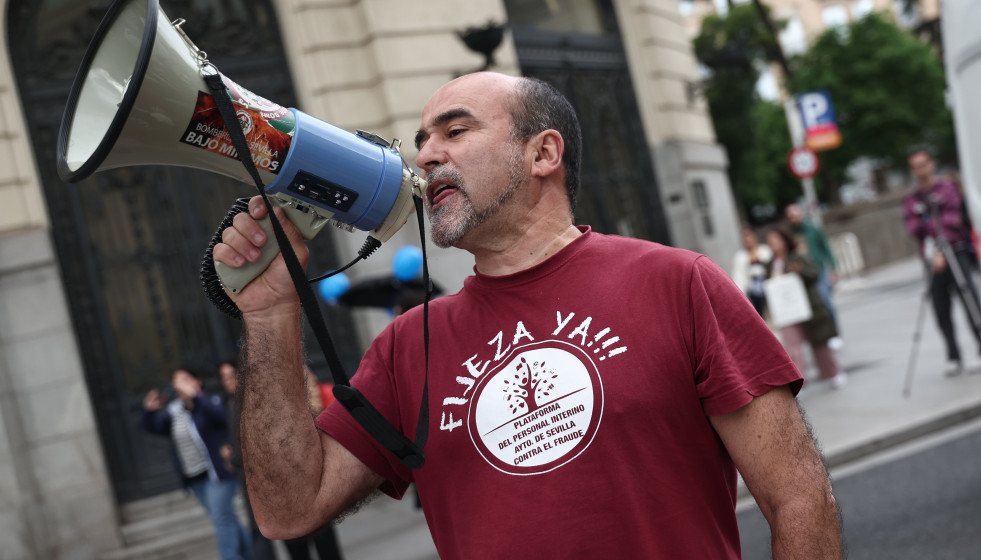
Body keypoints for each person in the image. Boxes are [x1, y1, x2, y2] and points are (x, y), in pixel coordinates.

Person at [214, 72, 842, 558]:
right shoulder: (410, 346)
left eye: (455, 132)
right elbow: (288, 510)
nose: (428, 156)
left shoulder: (678, 283)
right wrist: (270, 318)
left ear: (543, 153)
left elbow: (798, 495)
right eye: (423, 141)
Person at [142, 367, 253, 560]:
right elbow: (155, 428)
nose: (179, 385)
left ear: (197, 381)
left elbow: (223, 417)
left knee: (221, 519)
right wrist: (149, 412)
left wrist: (196, 397)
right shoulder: (174, 411)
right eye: (176, 381)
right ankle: (251, 554)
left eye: (184, 379)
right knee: (225, 519)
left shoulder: (211, 402)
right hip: (195, 478)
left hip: (218, 474)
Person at [903, 148, 981, 376]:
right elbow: (913, 227)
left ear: (932, 164)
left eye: (924, 164)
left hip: (954, 253)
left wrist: (940, 245)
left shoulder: (947, 189)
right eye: (916, 166)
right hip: (930, 260)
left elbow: (952, 219)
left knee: (970, 300)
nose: (921, 169)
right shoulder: (911, 198)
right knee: (941, 308)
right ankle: (953, 356)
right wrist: (932, 236)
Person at [765, 228, 848, 389]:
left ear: (784, 241)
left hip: (807, 307)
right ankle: (799, 380)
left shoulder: (798, 258)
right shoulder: (770, 265)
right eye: (770, 242)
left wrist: (800, 270)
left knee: (819, 344)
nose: (773, 245)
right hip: (786, 312)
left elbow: (814, 274)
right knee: (792, 347)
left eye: (776, 241)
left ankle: (832, 372)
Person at [784, 203, 840, 340]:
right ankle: (818, 336)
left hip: (818, 270)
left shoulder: (813, 229)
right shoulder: (789, 234)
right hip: (801, 274)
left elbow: (825, 247)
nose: (794, 219)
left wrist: (833, 268)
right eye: (790, 217)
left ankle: (833, 332)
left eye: (795, 215)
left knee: (825, 300)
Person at [732, 225, 772, 316]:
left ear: (754, 236)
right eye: (744, 237)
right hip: (753, 295)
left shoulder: (766, 250)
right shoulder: (740, 256)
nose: (747, 239)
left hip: (769, 290)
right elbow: (739, 278)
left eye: (748, 235)